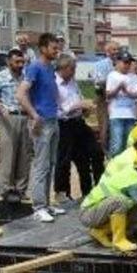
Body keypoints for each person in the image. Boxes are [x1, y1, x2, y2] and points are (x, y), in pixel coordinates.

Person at [79, 149, 137, 253]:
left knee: (135, 212)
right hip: (88, 212)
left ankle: (101, 231)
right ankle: (119, 241)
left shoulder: (135, 176)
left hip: (98, 211)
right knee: (120, 202)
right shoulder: (135, 180)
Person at [16, 36, 64, 223]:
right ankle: (38, 207)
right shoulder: (35, 67)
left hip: (53, 119)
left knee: (51, 163)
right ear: (43, 48)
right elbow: (21, 94)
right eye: (53, 47)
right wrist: (34, 115)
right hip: (41, 122)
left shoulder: (50, 68)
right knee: (41, 165)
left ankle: (46, 203)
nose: (56, 50)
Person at [54, 52, 104, 201]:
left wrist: (85, 107)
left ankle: (92, 189)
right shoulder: (54, 84)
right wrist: (76, 105)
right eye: (72, 69)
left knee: (95, 152)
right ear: (64, 68)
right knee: (64, 159)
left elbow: (79, 98)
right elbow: (58, 108)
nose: (74, 72)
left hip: (78, 121)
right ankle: (62, 192)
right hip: (63, 123)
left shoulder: (73, 82)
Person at [0, 49, 32, 204]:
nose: (20, 65)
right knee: (8, 154)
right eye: (16, 62)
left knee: (24, 156)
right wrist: (0, 109)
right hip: (8, 117)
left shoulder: (26, 77)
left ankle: (21, 189)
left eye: (22, 62)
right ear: (8, 62)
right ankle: (6, 189)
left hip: (24, 117)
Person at [105, 50, 137, 158]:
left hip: (130, 114)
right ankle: (113, 166)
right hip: (116, 114)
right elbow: (108, 95)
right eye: (125, 62)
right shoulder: (112, 75)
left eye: (129, 62)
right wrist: (118, 88)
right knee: (117, 143)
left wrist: (126, 91)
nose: (127, 65)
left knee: (128, 144)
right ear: (118, 62)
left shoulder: (133, 76)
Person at [90, 41, 119, 151]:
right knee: (105, 127)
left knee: (115, 127)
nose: (116, 52)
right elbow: (98, 82)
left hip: (117, 100)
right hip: (104, 99)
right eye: (114, 49)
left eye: (117, 49)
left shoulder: (121, 63)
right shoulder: (100, 64)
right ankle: (104, 152)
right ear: (107, 52)